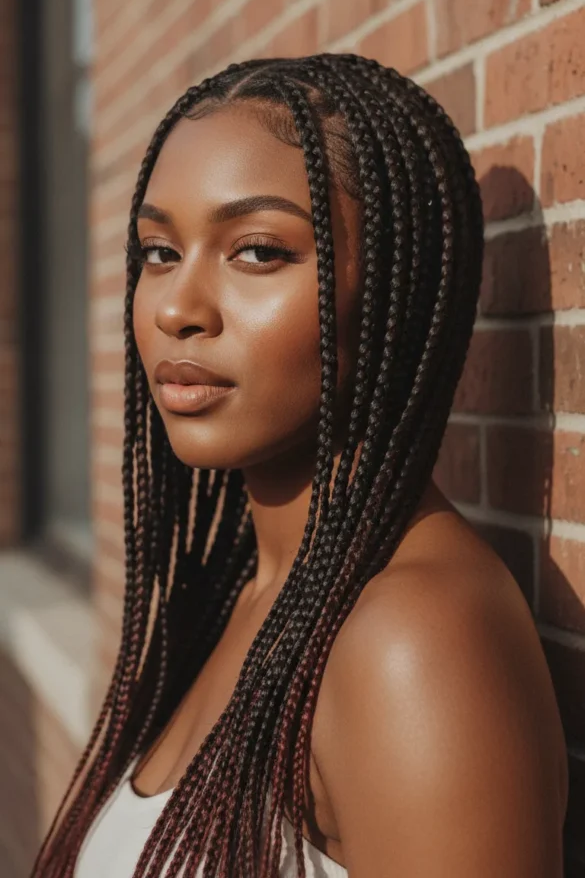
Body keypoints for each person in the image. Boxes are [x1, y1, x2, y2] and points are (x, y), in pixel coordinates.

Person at [32, 53, 568, 877]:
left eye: (255, 251)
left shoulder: (412, 638)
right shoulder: (235, 589)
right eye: (159, 251)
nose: (176, 306)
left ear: (392, 286)